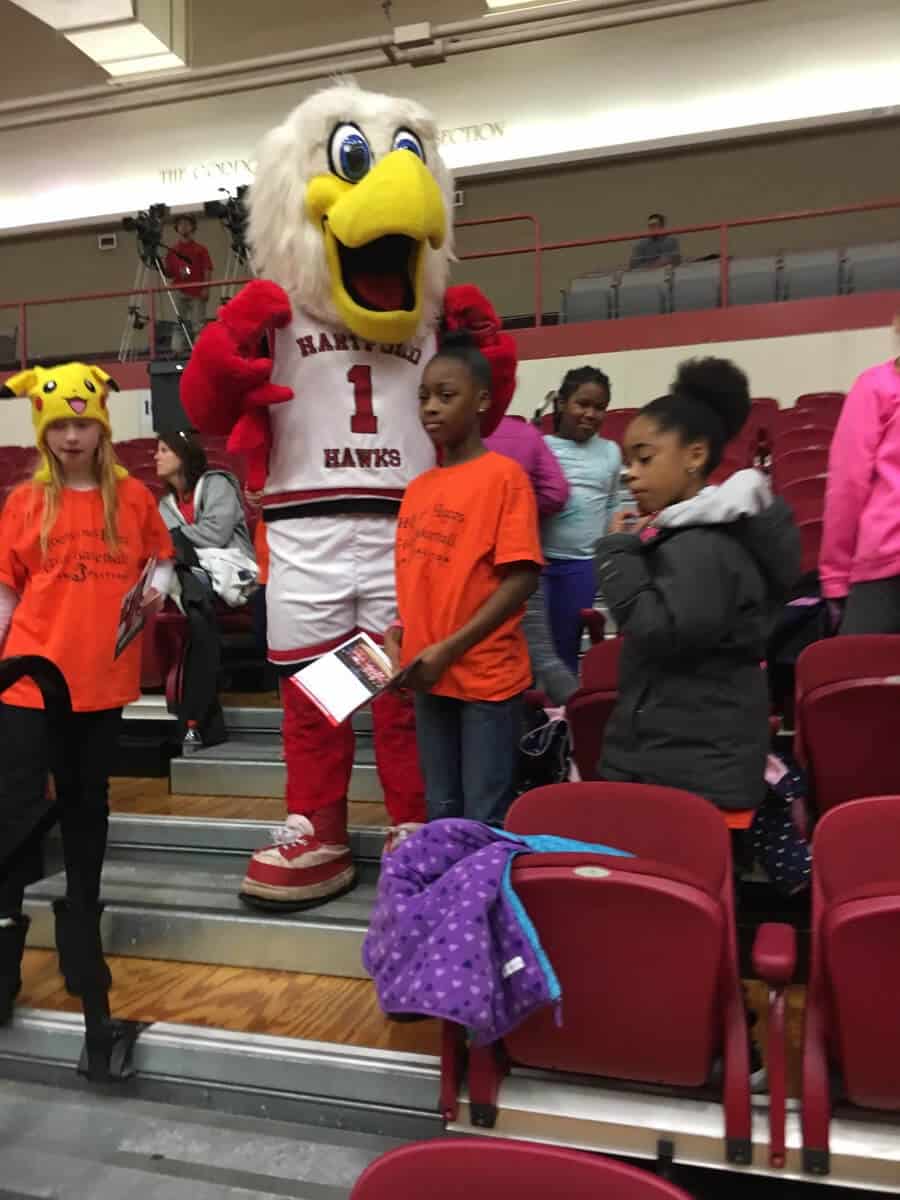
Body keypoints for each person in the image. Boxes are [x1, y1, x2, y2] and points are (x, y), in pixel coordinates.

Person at [0, 362, 172, 1035]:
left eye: (84, 424)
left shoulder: (131, 498)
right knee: (14, 817)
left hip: (99, 686)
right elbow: (8, 593)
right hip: (27, 685)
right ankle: (6, 953)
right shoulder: (22, 503)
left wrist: (158, 584)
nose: (72, 436)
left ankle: (82, 947)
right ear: (43, 432)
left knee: (86, 811)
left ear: (102, 429)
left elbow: (159, 559)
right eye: (61, 425)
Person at [595, 358, 800, 812]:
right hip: (681, 761)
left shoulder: (703, 545)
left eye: (644, 458)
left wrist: (615, 553)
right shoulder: (686, 533)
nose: (629, 473)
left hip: (689, 775)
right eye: (628, 461)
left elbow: (661, 634)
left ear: (695, 455)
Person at [386, 333, 542, 826]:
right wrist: (399, 636)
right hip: (430, 678)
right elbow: (424, 581)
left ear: (481, 400)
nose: (430, 407)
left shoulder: (504, 477)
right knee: (442, 809)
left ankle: (483, 903)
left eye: (445, 396)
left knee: (483, 814)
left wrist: (449, 649)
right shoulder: (417, 489)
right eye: (424, 397)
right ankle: (448, 902)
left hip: (486, 682)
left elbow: (520, 579)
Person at [155, 429, 255, 745]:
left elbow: (216, 533)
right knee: (191, 601)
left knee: (192, 601)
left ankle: (197, 718)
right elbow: (165, 545)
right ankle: (203, 718)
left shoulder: (217, 484)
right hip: (191, 580)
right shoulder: (165, 503)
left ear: (183, 455)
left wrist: (176, 541)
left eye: (163, 450)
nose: (155, 456)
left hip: (231, 576)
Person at [542, 367, 621, 676]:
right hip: (540, 564)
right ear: (561, 403)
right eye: (582, 404)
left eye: (599, 408)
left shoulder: (610, 452)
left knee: (566, 645)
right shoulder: (542, 447)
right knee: (535, 646)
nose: (591, 414)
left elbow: (612, 500)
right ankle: (531, 713)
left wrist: (613, 532)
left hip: (582, 565)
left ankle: (560, 717)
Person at [820, 346, 900, 633]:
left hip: (885, 567)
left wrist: (835, 575)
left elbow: (848, 487)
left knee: (856, 674)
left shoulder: (875, 386)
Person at [164, 215, 213, 353]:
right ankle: (177, 351)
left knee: (198, 324)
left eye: (187, 224)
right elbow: (169, 273)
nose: (184, 227)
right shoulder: (172, 251)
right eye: (180, 224)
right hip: (180, 291)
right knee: (179, 323)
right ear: (177, 228)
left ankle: (200, 351)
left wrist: (206, 288)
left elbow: (207, 269)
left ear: (192, 227)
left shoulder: (200, 249)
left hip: (197, 291)